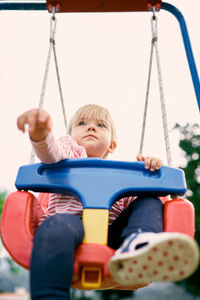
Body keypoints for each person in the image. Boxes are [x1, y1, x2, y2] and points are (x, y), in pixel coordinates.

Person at [17, 104, 199, 300]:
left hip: (113, 238)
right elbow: (50, 151)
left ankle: (138, 243)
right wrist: (41, 133)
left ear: (111, 145)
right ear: (70, 138)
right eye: (82, 123)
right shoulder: (66, 156)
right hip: (68, 228)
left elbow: (144, 206)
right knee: (56, 226)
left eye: (101, 125)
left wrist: (150, 170)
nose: (91, 127)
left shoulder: (124, 174)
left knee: (149, 200)